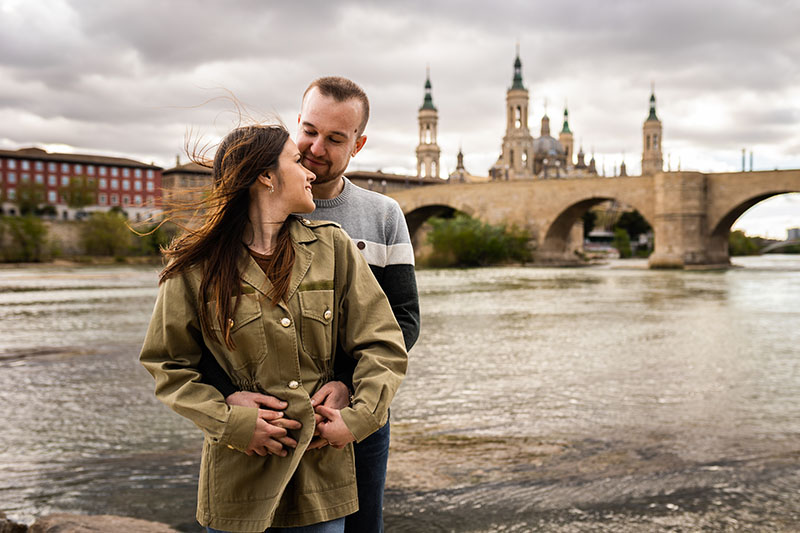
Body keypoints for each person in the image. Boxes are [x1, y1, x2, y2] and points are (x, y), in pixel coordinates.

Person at [140, 123, 408, 532]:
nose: (310, 173)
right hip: (239, 478)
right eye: (298, 161)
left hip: (321, 480)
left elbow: (384, 343)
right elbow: (168, 364)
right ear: (266, 177)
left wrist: (358, 417)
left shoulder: (334, 246)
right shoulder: (195, 265)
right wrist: (232, 422)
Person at [198, 77, 420, 532]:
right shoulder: (251, 214)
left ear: (357, 145)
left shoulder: (383, 216)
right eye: (310, 131)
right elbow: (202, 335)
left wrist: (347, 388)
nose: (317, 148)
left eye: (335, 139)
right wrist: (227, 398)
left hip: (353, 414)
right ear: (297, 123)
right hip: (269, 422)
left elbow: (401, 321)